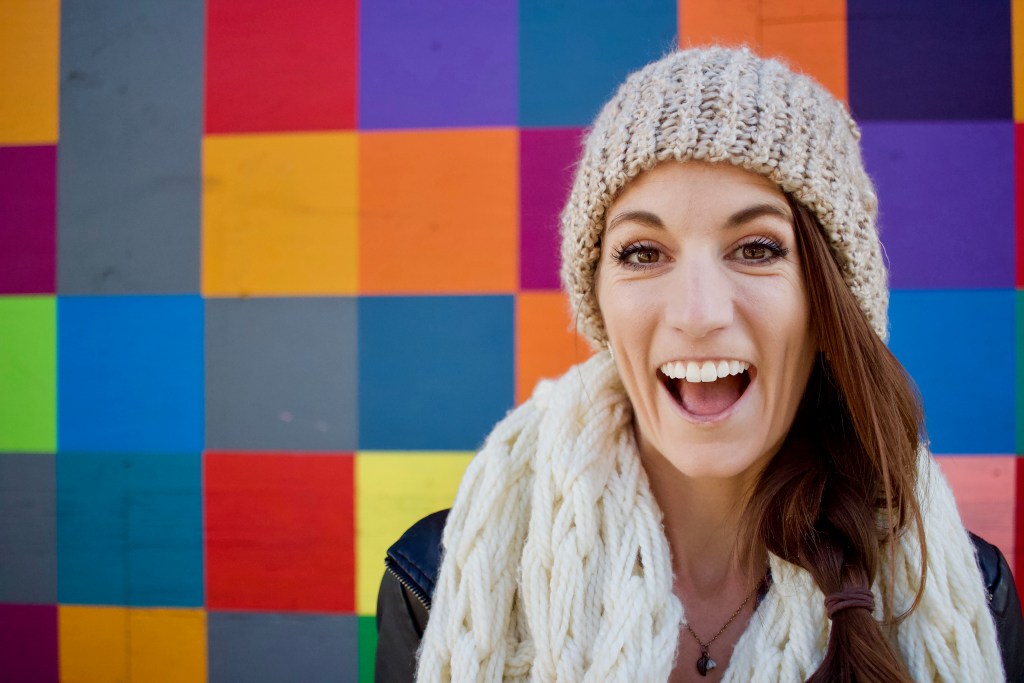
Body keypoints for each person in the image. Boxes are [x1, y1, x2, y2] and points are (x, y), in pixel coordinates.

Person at [375, 46, 1024, 682]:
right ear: (598, 299)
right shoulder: (439, 582)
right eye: (642, 252)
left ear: (832, 303)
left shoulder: (970, 594)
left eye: (757, 248)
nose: (697, 312)